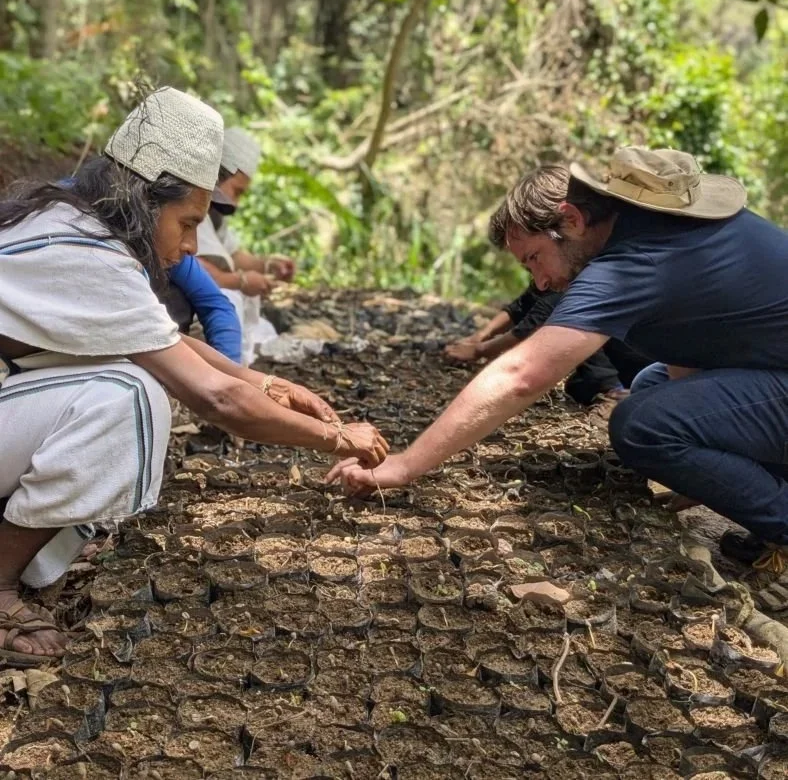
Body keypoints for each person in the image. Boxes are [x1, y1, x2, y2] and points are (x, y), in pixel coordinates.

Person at [0, 87, 387, 665]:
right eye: (186, 222)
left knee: (129, 381)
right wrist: (335, 439)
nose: (187, 247)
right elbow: (213, 398)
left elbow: (164, 341)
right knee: (130, 399)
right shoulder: (85, 252)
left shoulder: (73, 222)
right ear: (143, 198)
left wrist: (265, 385)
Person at [329, 147, 788, 611]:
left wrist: (405, 465)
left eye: (533, 259)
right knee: (653, 386)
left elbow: (522, 375)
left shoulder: (635, 261)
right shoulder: (680, 234)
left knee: (643, 425)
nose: (540, 282)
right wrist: (702, 475)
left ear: (570, 219)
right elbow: (694, 351)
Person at [446, 281, 651, 413]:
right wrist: (479, 336)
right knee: (577, 387)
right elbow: (522, 305)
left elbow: (530, 326)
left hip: (637, 362)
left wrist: (479, 350)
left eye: (533, 257)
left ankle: (614, 392)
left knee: (577, 335)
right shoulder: (548, 274)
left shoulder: (580, 278)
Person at [196, 127, 295, 365]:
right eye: (236, 191)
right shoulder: (187, 203)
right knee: (230, 300)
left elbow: (231, 254)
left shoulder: (214, 214)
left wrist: (267, 265)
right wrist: (237, 282)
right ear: (218, 174)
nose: (236, 202)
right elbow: (183, 261)